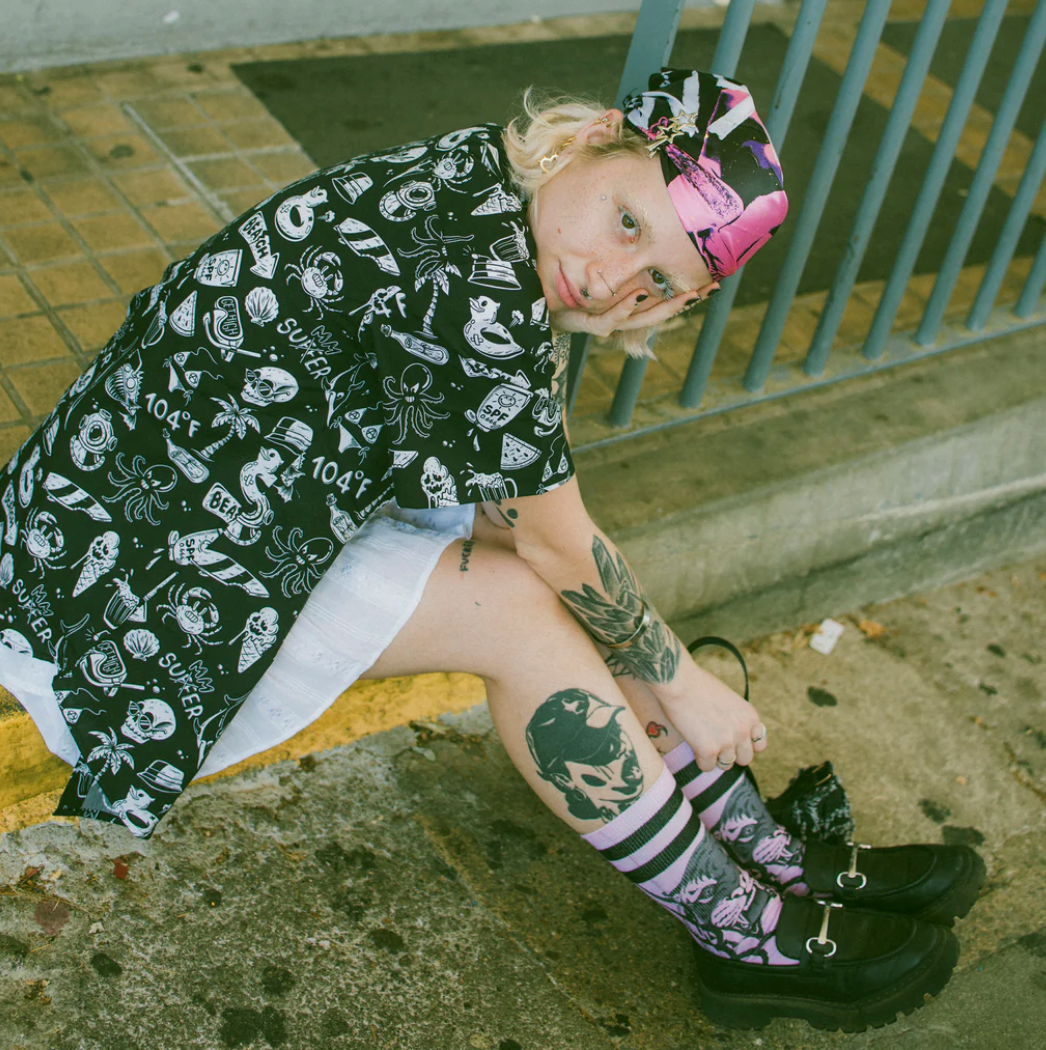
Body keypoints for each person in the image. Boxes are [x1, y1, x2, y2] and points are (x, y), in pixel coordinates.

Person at [0, 68, 983, 1031]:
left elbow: (525, 518)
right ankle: (741, 931)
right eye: (626, 221)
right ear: (593, 138)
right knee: (524, 609)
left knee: (553, 578)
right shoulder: (471, 272)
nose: (608, 281)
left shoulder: (483, 192)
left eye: (658, 283)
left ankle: (764, 857)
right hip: (130, 568)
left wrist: (648, 651)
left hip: (191, 507)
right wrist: (685, 684)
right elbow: (555, 546)